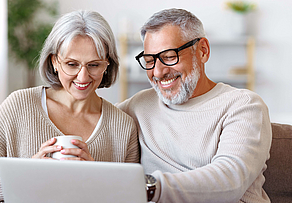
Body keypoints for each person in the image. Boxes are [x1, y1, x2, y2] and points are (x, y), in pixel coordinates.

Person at [0, 10, 139, 202]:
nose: (83, 77)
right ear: (55, 62)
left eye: (93, 65)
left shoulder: (123, 128)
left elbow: (130, 197)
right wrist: (28, 177)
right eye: (71, 64)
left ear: (107, 64)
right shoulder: (19, 104)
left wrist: (94, 179)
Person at [116, 8, 272, 203]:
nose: (158, 72)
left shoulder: (244, 106)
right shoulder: (137, 106)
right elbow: (93, 118)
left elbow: (230, 179)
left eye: (169, 56)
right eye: (149, 60)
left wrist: (148, 187)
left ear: (203, 51)